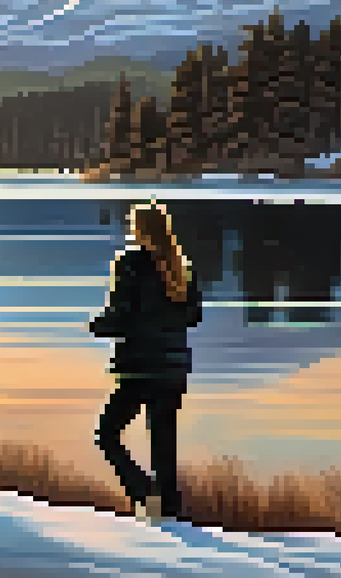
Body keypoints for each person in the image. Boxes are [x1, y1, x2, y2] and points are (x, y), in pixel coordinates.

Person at [89, 201, 202, 522]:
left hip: (141, 365)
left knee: (107, 434)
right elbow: (193, 317)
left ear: (138, 228)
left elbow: (121, 315)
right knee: (164, 443)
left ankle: (143, 491)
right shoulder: (182, 265)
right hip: (173, 366)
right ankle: (170, 509)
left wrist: (98, 326)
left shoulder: (131, 263)